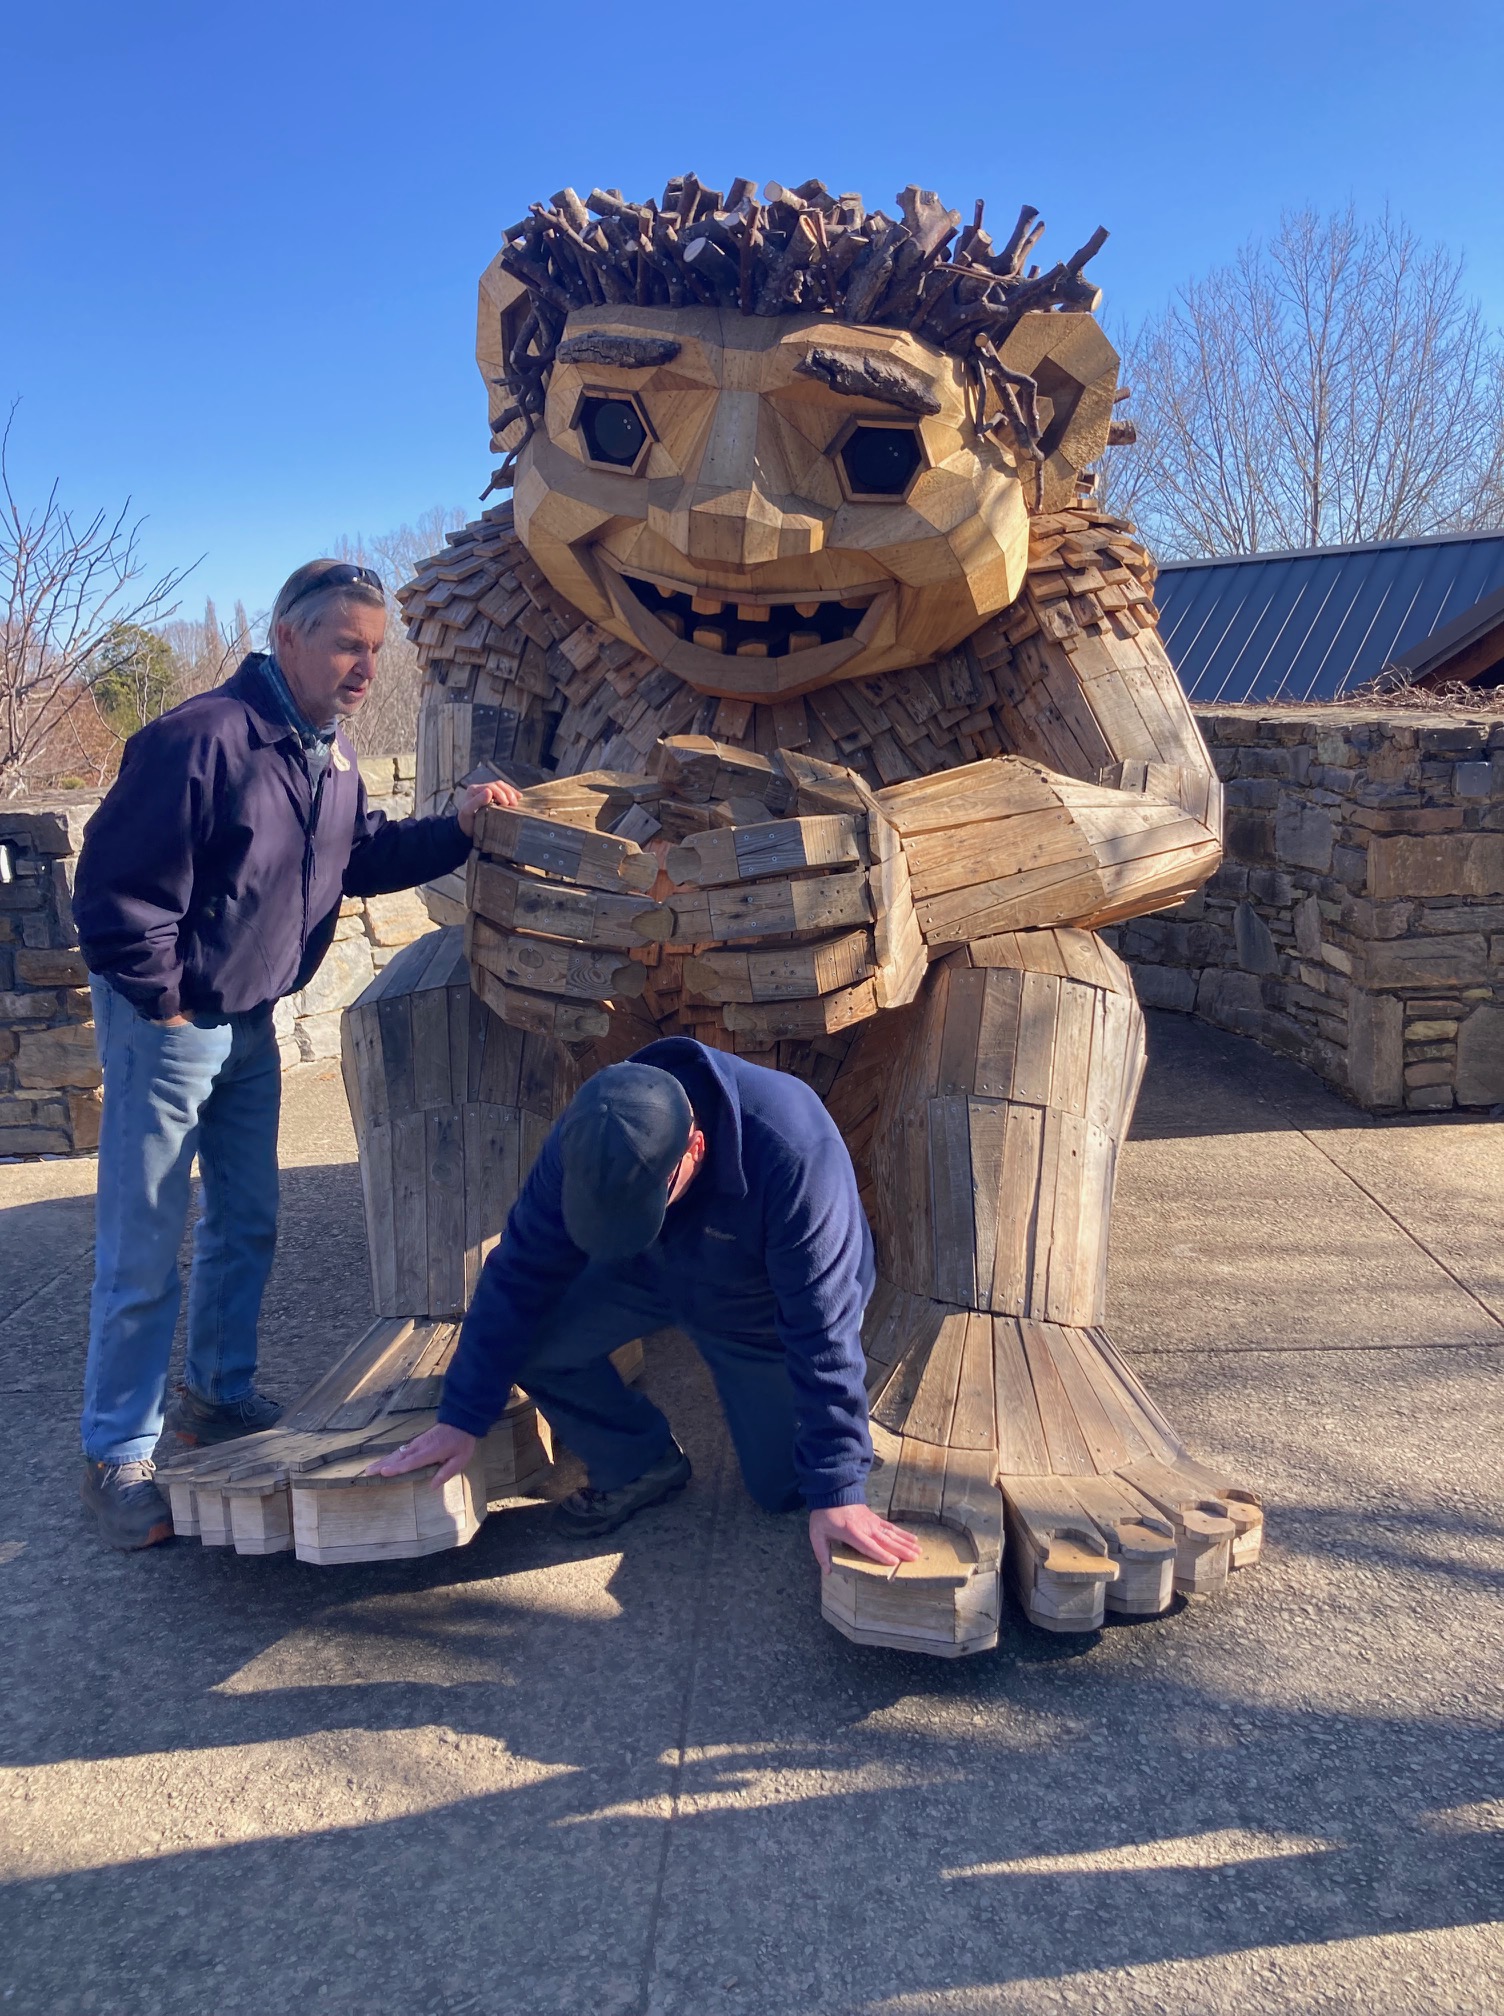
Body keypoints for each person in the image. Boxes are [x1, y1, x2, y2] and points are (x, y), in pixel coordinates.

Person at [72, 558, 520, 1549]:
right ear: (287, 639)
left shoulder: (330, 755)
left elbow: (362, 856)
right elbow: (112, 893)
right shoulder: (202, 739)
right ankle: (117, 1452)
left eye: (375, 650)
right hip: (173, 1025)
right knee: (144, 1240)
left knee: (247, 1220)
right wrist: (168, 1003)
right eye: (347, 645)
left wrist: (459, 827)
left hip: (248, 1021)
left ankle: (216, 1396)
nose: (365, 667)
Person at [370, 1038, 924, 1575]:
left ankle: (795, 1439)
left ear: (694, 1149)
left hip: (760, 1303)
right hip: (646, 1269)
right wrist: (461, 1418)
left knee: (785, 1490)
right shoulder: (590, 1130)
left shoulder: (793, 1153)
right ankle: (638, 1462)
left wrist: (838, 1486)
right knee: (532, 1342)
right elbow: (517, 1274)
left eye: (642, 1203)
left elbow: (822, 1329)